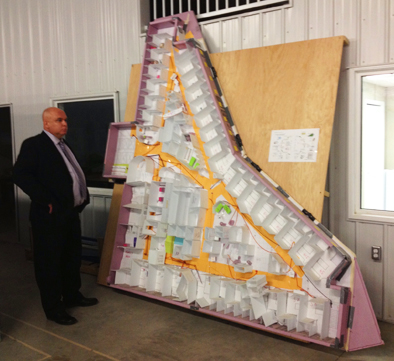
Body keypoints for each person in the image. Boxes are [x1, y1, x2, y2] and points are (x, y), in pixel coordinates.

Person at [13, 107, 98, 325]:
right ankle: (54, 308)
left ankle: (72, 295)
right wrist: (46, 199)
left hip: (69, 213)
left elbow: (70, 175)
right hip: (48, 216)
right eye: (59, 120)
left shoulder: (64, 145)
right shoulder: (35, 145)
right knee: (49, 263)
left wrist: (81, 199)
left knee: (71, 257)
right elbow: (20, 175)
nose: (65, 124)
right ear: (46, 124)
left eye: (66, 120)